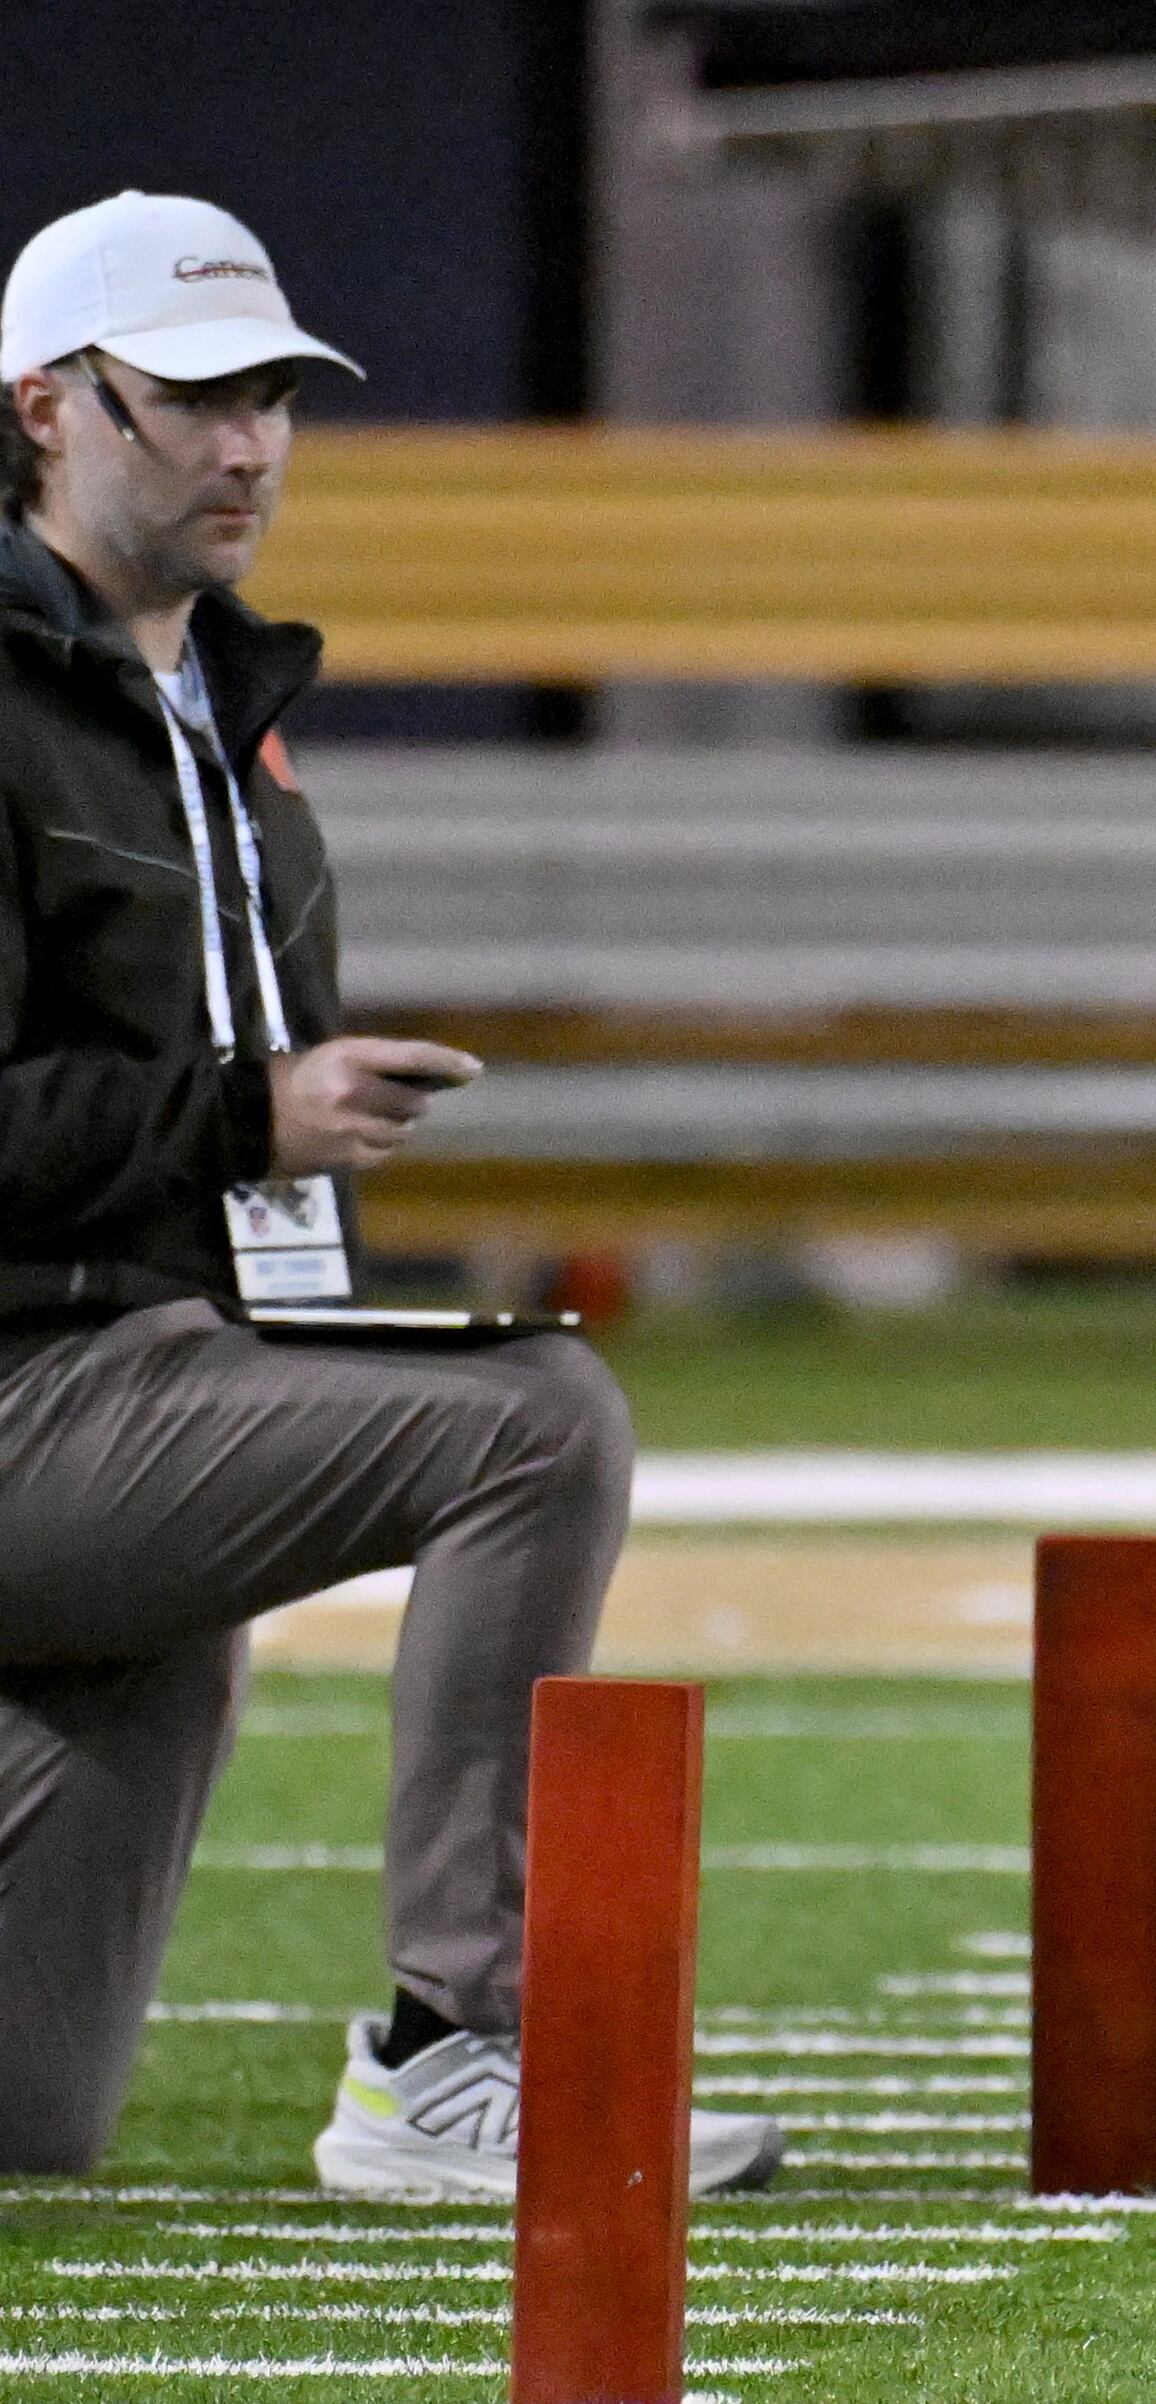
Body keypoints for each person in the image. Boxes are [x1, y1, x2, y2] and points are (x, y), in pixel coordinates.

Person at [0, 190, 779, 2196]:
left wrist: (271, 1201)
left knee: (28, 2118)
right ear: (46, 411)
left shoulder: (227, 727)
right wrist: (240, 1117)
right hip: (35, 1400)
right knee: (538, 1425)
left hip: (148, 1398)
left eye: (270, 392)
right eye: (188, 396)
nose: (246, 440)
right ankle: (457, 2048)